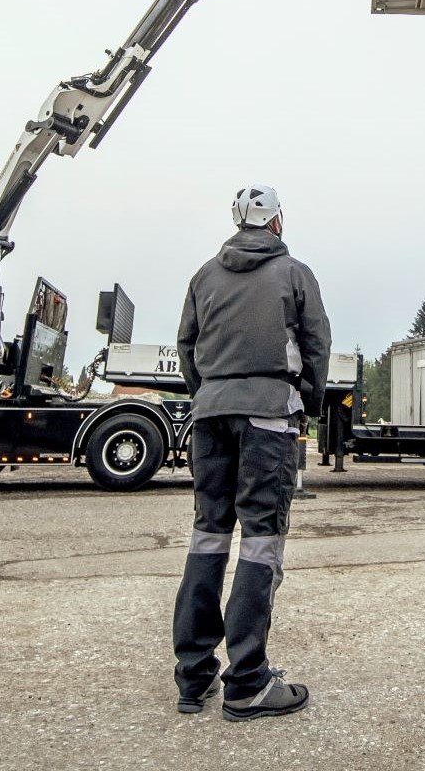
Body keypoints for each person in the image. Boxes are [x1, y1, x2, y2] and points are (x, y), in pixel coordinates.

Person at [172, 184, 331, 721]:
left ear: (236, 221)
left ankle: (194, 679)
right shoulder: (295, 274)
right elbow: (316, 345)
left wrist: (209, 394)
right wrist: (305, 399)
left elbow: (186, 345)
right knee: (260, 540)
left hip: (210, 415)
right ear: (277, 223)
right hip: (269, 415)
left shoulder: (204, 275)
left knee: (208, 536)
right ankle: (246, 682)